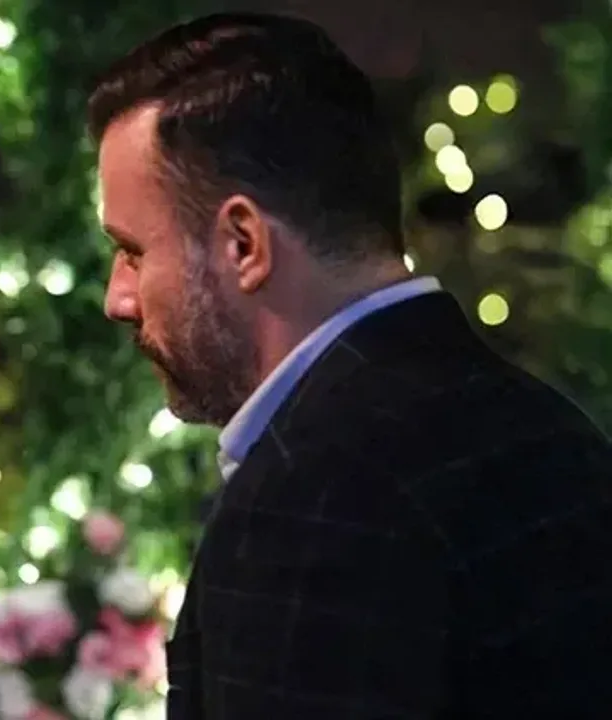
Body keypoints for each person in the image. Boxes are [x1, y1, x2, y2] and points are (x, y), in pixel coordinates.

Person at [89, 11, 612, 719]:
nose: (117, 299)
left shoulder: (308, 505)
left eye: (133, 251)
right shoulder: (555, 432)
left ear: (244, 244)